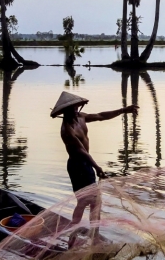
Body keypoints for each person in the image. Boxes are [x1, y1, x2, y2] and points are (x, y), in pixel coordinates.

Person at [52, 91, 137, 241]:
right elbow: (81, 151)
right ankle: (73, 232)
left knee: (95, 201)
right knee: (84, 201)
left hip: (86, 164)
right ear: (64, 111)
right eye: (70, 108)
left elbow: (100, 116)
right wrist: (97, 168)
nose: (74, 110)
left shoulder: (81, 117)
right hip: (77, 166)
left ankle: (94, 236)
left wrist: (124, 110)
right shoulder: (67, 130)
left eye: (74, 107)